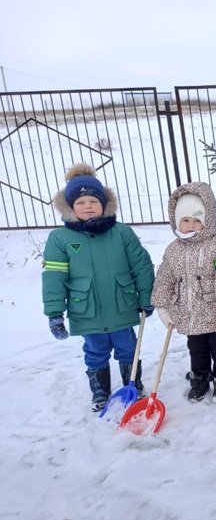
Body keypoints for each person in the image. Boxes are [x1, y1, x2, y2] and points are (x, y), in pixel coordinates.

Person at [42, 163, 154, 412]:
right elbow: (53, 277)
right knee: (95, 352)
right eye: (81, 203)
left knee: (128, 349)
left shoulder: (121, 233)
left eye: (93, 200)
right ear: (70, 207)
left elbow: (142, 266)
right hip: (87, 310)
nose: (88, 206)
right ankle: (100, 392)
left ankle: (133, 385)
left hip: (121, 306)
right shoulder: (60, 239)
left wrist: (146, 297)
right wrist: (54, 313)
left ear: (104, 203)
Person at [151, 182, 216, 402]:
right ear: (176, 221)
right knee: (196, 348)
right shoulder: (173, 249)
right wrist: (162, 305)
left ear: (207, 220)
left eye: (197, 220)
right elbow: (165, 276)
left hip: (215, 309)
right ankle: (200, 377)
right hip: (189, 313)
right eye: (185, 220)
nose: (191, 225)